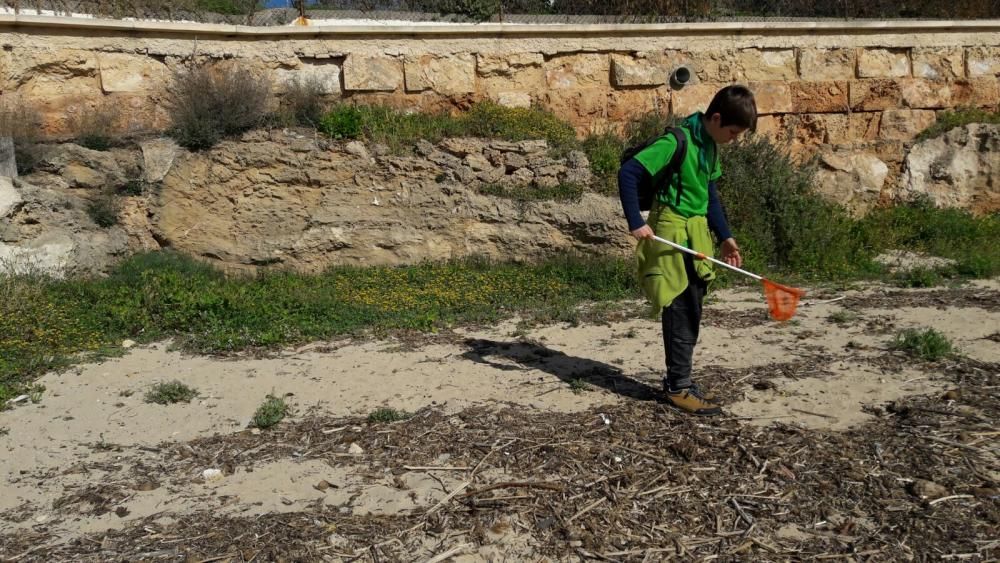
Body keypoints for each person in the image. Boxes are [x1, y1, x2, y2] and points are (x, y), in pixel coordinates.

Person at [618, 85, 756, 416]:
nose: (734, 139)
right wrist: (636, 221)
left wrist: (725, 236)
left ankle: (681, 380)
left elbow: (709, 194)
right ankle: (678, 387)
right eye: (733, 132)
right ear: (717, 118)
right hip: (671, 232)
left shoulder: (710, 145)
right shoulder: (676, 141)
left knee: (692, 305)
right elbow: (629, 172)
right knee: (680, 306)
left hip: (695, 233)